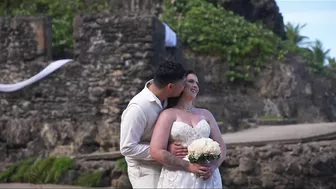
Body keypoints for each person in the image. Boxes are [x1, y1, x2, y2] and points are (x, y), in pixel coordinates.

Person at [150, 70, 227, 188]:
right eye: (191, 81)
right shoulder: (168, 114)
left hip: (207, 176)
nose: (195, 85)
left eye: (197, 83)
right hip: (179, 175)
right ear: (181, 85)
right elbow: (156, 151)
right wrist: (189, 166)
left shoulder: (206, 114)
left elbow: (221, 147)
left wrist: (212, 166)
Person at [120, 60, 188, 188]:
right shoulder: (138, 108)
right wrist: (164, 151)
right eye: (183, 84)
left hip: (167, 165)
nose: (185, 87)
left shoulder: (169, 98)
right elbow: (127, 147)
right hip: (145, 169)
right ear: (170, 87)